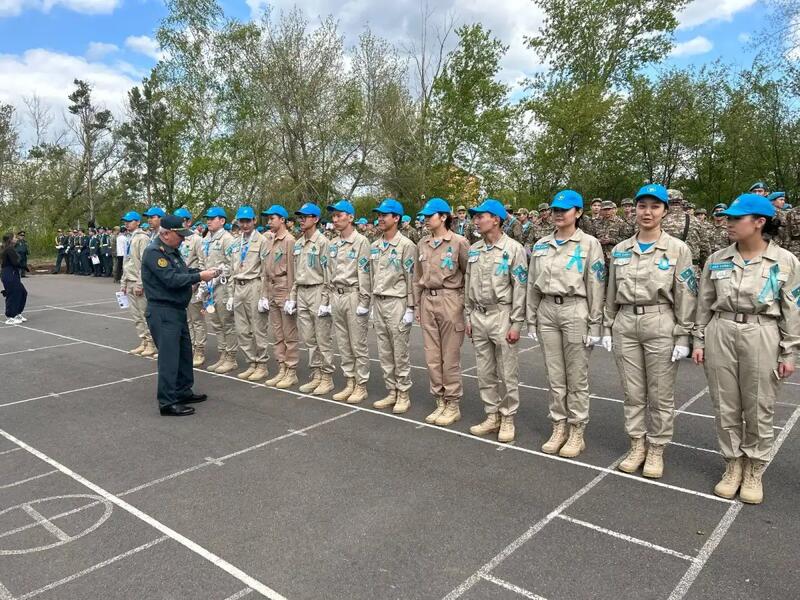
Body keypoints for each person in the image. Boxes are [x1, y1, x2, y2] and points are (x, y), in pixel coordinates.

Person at [692, 194, 800, 504]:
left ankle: (754, 469)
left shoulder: (786, 261)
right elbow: (704, 303)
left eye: (736, 218)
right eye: (728, 217)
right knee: (725, 405)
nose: (728, 222)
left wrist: (788, 350)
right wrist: (699, 339)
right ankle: (732, 465)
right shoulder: (718, 258)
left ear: (759, 222)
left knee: (758, 405)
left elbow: (792, 309)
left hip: (762, 332)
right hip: (721, 330)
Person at [602, 184, 696, 479]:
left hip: (660, 321)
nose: (647, 212)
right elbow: (610, 291)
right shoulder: (620, 250)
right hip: (626, 322)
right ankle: (637, 444)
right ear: (634, 210)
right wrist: (608, 325)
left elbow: (685, 294)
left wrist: (683, 335)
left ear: (665, 211)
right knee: (632, 392)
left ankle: (656, 448)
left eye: (655, 206)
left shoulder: (678, 249)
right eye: (642, 206)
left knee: (660, 393)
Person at [526, 190, 606, 457]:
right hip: (547, 310)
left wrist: (597, 324)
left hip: (575, 309)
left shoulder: (589, 244)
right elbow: (532, 284)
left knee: (576, 376)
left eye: (565, 209)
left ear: (579, 213)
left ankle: (576, 430)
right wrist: (531, 316)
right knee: (554, 375)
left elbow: (596, 284)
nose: (558, 213)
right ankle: (558, 425)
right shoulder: (541, 244)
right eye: (555, 209)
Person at [142, 215, 221, 416]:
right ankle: (168, 402)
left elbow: (182, 271)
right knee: (169, 358)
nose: (183, 239)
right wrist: (198, 277)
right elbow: (170, 279)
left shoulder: (172, 251)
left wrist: (201, 271)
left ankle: (183, 391)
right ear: (166, 234)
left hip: (176, 310)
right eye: (180, 235)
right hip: (163, 310)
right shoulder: (154, 252)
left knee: (184, 353)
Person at [465, 199, 528, 443]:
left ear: (496, 219)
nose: (476, 220)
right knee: (484, 370)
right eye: (476, 217)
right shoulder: (474, 249)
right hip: (479, 314)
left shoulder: (513, 249)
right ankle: (491, 415)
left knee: (507, 371)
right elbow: (469, 283)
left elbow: (520, 287)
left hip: (502, 314)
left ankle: (508, 417)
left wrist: (516, 323)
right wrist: (468, 314)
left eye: (481, 216)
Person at [413, 198, 470, 426]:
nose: (426, 219)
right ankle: (440, 400)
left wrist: (462, 303)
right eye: (425, 216)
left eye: (430, 215)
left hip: (450, 299)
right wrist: (417, 304)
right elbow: (418, 277)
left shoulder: (459, 242)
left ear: (443, 217)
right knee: (432, 356)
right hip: (428, 299)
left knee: (450, 357)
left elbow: (467, 274)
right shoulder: (422, 243)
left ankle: (453, 402)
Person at [368, 199, 417, 413]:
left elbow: (411, 278)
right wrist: (370, 303)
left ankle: (403, 393)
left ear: (396, 218)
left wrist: (410, 308)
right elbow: (371, 275)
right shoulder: (375, 246)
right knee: (384, 351)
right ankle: (392, 391)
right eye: (378, 215)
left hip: (397, 302)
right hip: (379, 302)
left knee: (399, 352)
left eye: (384, 215)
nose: (380, 218)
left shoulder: (406, 246)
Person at [326, 199, 372, 404]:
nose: (335, 220)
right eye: (333, 216)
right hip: (337, 294)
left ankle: (361, 385)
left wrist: (364, 301)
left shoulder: (361, 241)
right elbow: (329, 272)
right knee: (343, 343)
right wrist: (327, 298)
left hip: (353, 294)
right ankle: (350, 381)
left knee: (357, 343)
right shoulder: (333, 244)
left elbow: (364, 272)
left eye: (339, 215)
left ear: (350, 217)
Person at [288, 203, 336, 395]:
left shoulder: (323, 243)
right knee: (308, 337)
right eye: (300, 216)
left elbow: (328, 274)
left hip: (317, 290)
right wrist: (292, 297)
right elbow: (296, 273)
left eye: (305, 217)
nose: (301, 220)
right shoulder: (298, 244)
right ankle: (316, 374)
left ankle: (327, 377)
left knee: (322, 337)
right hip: (302, 291)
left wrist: (325, 300)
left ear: (315, 219)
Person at [259, 205, 299, 388]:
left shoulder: (289, 240)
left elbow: (292, 270)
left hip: (284, 287)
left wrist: (292, 296)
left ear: (282, 219)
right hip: (272, 287)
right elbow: (265, 269)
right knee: (277, 333)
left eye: (272, 218)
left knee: (289, 333)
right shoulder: (269, 239)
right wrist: (264, 294)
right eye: (268, 219)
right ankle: (281, 367)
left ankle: (291, 371)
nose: (269, 222)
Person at [230, 206, 271, 381]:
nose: (245, 225)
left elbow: (265, 270)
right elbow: (233, 268)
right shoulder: (236, 242)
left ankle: (262, 364)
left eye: (248, 221)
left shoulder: (262, 241)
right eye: (242, 221)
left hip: (254, 285)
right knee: (241, 329)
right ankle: (251, 362)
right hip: (238, 286)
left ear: (254, 221)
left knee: (258, 328)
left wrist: (264, 295)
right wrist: (231, 293)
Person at [200, 207, 239, 374]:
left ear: (222, 221)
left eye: (212, 218)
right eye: (207, 218)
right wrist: (203, 282)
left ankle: (231, 358)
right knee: (216, 323)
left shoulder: (227, 239)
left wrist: (215, 277)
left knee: (227, 323)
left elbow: (232, 265)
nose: (208, 221)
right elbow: (203, 262)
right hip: (209, 287)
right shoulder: (207, 239)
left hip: (222, 286)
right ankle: (222, 354)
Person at [173, 208, 208, 367]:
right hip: (179, 284)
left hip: (192, 284)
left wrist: (197, 284)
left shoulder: (196, 239)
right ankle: (189, 347)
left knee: (197, 320)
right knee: (185, 320)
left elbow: (202, 264)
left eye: (182, 221)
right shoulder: (175, 239)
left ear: (188, 222)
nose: (179, 224)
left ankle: (199, 349)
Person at [120, 212, 157, 357]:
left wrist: (140, 283)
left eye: (129, 221)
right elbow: (126, 261)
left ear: (137, 222)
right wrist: (123, 281)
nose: (126, 223)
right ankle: (143, 341)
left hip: (137, 280)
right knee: (136, 315)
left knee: (144, 314)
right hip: (129, 279)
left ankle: (151, 343)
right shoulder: (130, 237)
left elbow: (144, 262)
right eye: (125, 221)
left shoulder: (142, 238)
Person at [1, 232, 27, 324]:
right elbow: (15, 262)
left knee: (22, 292)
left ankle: (17, 313)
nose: (16, 238)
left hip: (13, 272)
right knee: (13, 294)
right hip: (9, 273)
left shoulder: (11, 249)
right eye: (15, 237)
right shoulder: (8, 249)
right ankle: (10, 316)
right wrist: (25, 266)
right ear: (10, 239)